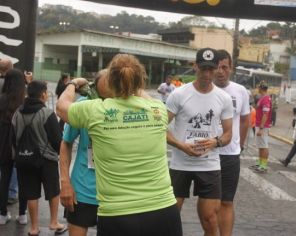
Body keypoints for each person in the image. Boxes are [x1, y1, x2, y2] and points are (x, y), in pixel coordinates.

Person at [56, 54, 182, 236]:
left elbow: (61, 107)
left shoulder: (96, 111)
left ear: (111, 82)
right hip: (163, 209)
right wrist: (132, 84)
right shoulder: (158, 110)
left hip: (118, 213)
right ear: (140, 81)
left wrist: (73, 83)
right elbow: (141, 93)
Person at [166, 48, 233, 236]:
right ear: (195, 66)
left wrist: (215, 142)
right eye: (203, 68)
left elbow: (228, 134)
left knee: (210, 220)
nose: (207, 74)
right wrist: (181, 146)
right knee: (169, 217)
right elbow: (160, 128)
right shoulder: (178, 95)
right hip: (181, 164)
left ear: (217, 69)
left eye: (211, 69)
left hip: (209, 165)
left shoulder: (223, 98)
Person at [12, 80, 67, 235]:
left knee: (31, 193)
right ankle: (53, 222)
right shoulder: (46, 113)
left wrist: (21, 153)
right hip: (46, 159)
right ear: (43, 94)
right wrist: (57, 153)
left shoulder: (18, 112)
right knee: (53, 190)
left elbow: (13, 138)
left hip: (24, 159)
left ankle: (34, 227)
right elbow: (57, 139)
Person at [59, 69, 109, 236]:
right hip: (83, 189)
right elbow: (66, 142)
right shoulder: (82, 105)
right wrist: (65, 182)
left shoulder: (127, 108)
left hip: (116, 192)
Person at [213, 50, 250, 236]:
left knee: (226, 201)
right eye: (216, 67)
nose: (220, 71)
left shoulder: (240, 91)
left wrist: (240, 145)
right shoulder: (203, 89)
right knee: (208, 203)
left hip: (229, 155)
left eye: (224, 67)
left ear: (231, 69)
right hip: (207, 155)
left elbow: (245, 120)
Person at [0, 69, 27, 225]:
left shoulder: (1, 99)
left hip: (3, 144)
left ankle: (2, 214)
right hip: (21, 145)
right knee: (23, 179)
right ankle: (22, 215)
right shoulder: (23, 102)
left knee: (4, 178)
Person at [249, 82, 272, 173]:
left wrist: (262, 128)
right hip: (259, 125)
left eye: (258, 87)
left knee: (264, 145)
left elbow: (265, 114)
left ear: (261, 88)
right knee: (260, 145)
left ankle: (264, 165)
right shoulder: (262, 98)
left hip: (263, 126)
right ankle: (260, 163)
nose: (257, 89)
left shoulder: (266, 99)